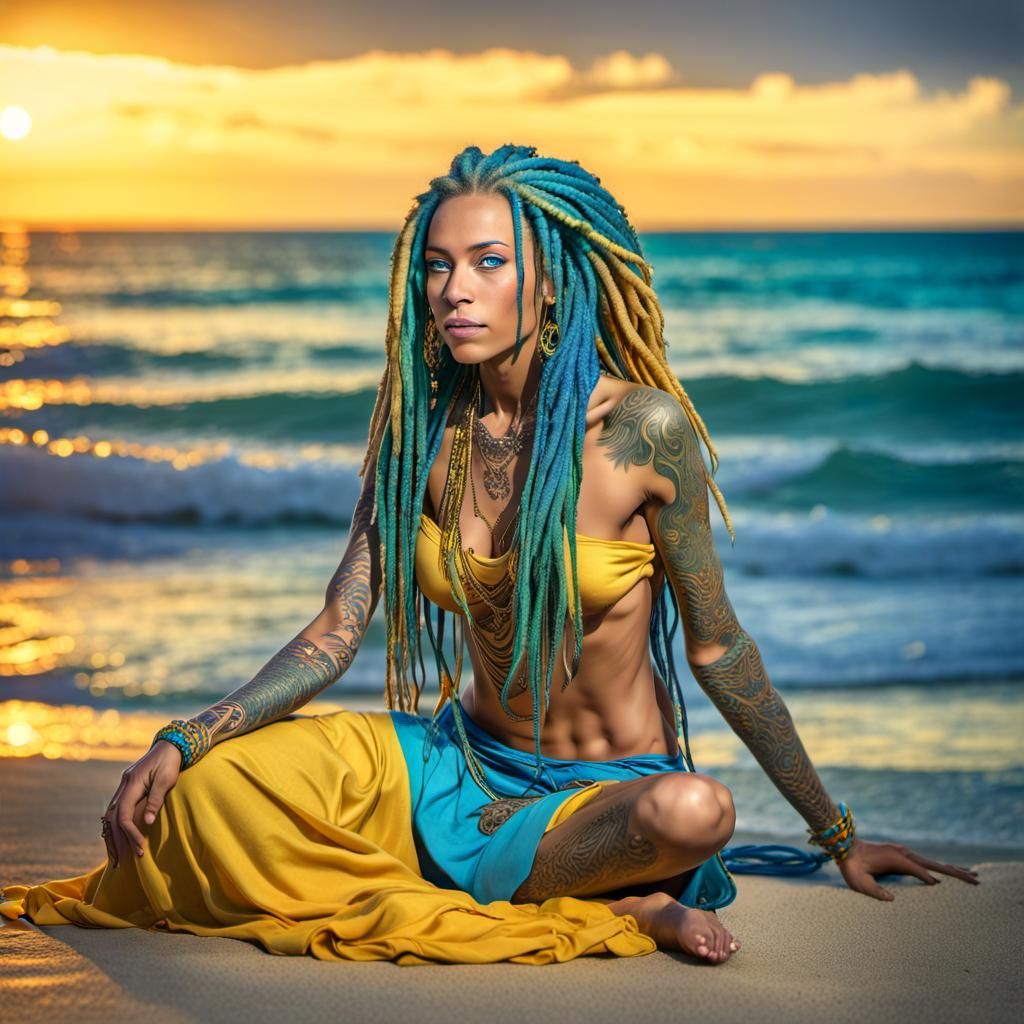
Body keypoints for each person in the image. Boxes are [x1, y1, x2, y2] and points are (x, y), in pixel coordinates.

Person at [0, 144, 979, 966]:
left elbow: (718, 649)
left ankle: (595, 889)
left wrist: (835, 833)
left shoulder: (639, 430)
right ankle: (578, 898)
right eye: (436, 266)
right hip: (449, 763)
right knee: (214, 790)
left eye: (486, 262)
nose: (453, 290)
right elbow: (339, 625)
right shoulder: (419, 432)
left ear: (548, 279)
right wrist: (186, 734)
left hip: (600, 796)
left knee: (695, 809)